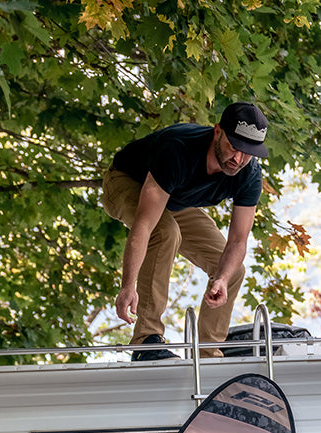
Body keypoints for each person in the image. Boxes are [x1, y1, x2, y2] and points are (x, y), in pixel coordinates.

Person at [102, 101, 268, 361]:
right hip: (126, 182)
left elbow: (238, 241)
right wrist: (128, 285)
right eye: (233, 147)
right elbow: (145, 226)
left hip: (174, 200)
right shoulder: (178, 148)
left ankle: (208, 356)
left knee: (232, 269)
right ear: (217, 132)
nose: (238, 159)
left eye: (248, 152)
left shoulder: (249, 175)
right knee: (165, 232)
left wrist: (221, 279)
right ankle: (147, 341)